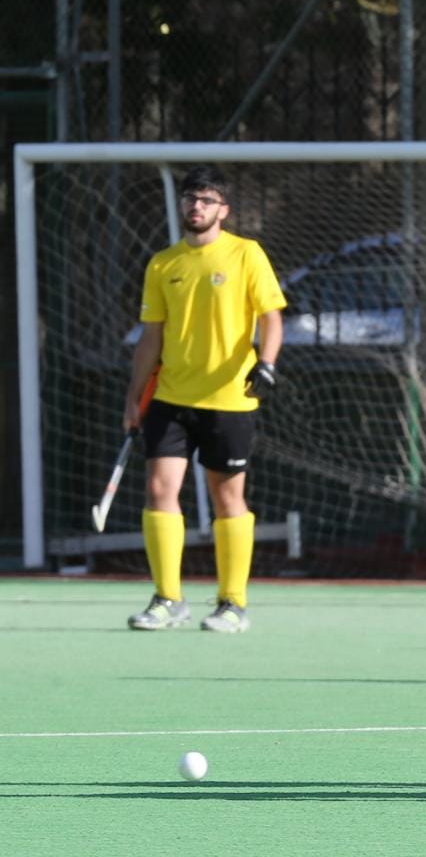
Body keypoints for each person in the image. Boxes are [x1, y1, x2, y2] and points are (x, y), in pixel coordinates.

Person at [123, 165, 285, 633]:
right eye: (191, 198)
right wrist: (134, 398)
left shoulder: (246, 254)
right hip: (171, 398)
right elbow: (151, 338)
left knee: (227, 497)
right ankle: (167, 599)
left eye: (207, 200)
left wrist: (267, 363)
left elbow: (271, 317)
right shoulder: (163, 264)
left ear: (223, 210)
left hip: (230, 399)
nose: (197, 206)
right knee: (159, 490)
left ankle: (233, 603)